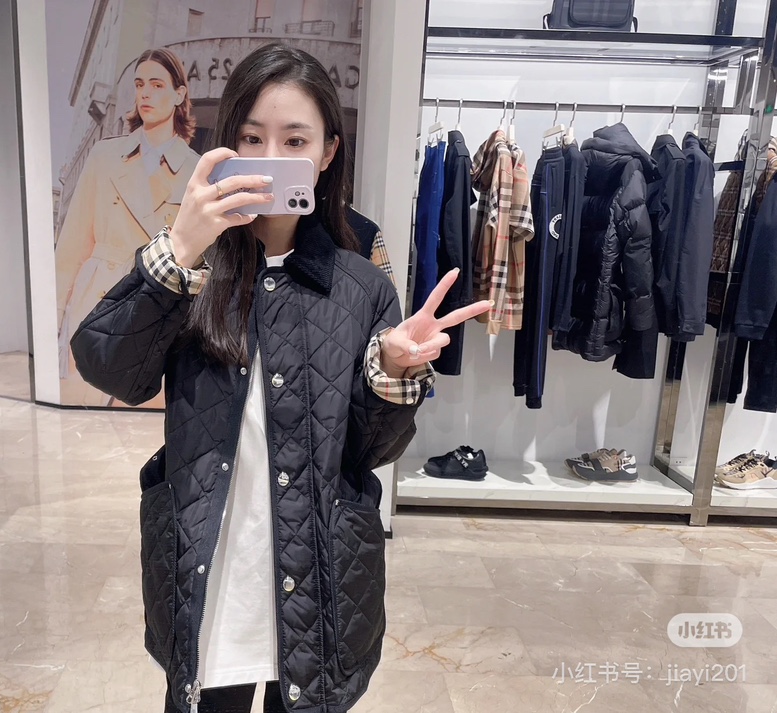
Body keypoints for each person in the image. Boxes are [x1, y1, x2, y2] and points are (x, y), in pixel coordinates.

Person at [71, 43, 492, 713]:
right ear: (226, 145)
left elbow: (370, 451)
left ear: (327, 153)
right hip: (207, 572)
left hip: (320, 579)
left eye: (295, 140)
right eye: (251, 138)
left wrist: (390, 372)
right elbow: (108, 368)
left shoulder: (360, 284)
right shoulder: (192, 266)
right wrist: (179, 249)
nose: (271, 157)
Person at [56, 47, 200, 408]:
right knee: (83, 415)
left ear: (179, 94)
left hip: (155, 309)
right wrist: (52, 318)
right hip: (96, 304)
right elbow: (71, 248)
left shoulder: (196, 170)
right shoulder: (104, 156)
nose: (145, 93)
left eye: (157, 84)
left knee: (138, 419)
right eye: (139, 84)